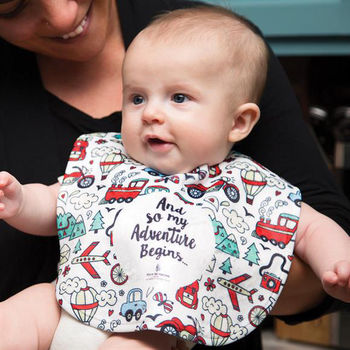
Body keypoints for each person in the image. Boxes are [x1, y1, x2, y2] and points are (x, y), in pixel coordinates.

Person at [0, 0, 349, 349]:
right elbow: (57, 203)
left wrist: (338, 262)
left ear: (238, 122)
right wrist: (19, 202)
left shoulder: (249, 185)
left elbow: (312, 228)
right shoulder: (110, 161)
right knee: (17, 316)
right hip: (70, 299)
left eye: (178, 98)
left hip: (155, 318)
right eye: (137, 98)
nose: (151, 113)